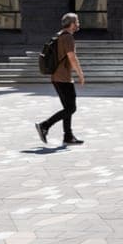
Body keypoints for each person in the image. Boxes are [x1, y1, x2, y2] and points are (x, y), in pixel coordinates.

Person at [35, 11, 86, 146]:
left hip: (58, 77)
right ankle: (44, 125)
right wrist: (80, 73)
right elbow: (72, 57)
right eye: (77, 22)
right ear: (72, 24)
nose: (78, 24)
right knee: (71, 108)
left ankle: (68, 136)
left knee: (67, 108)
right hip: (63, 78)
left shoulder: (59, 35)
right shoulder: (68, 37)